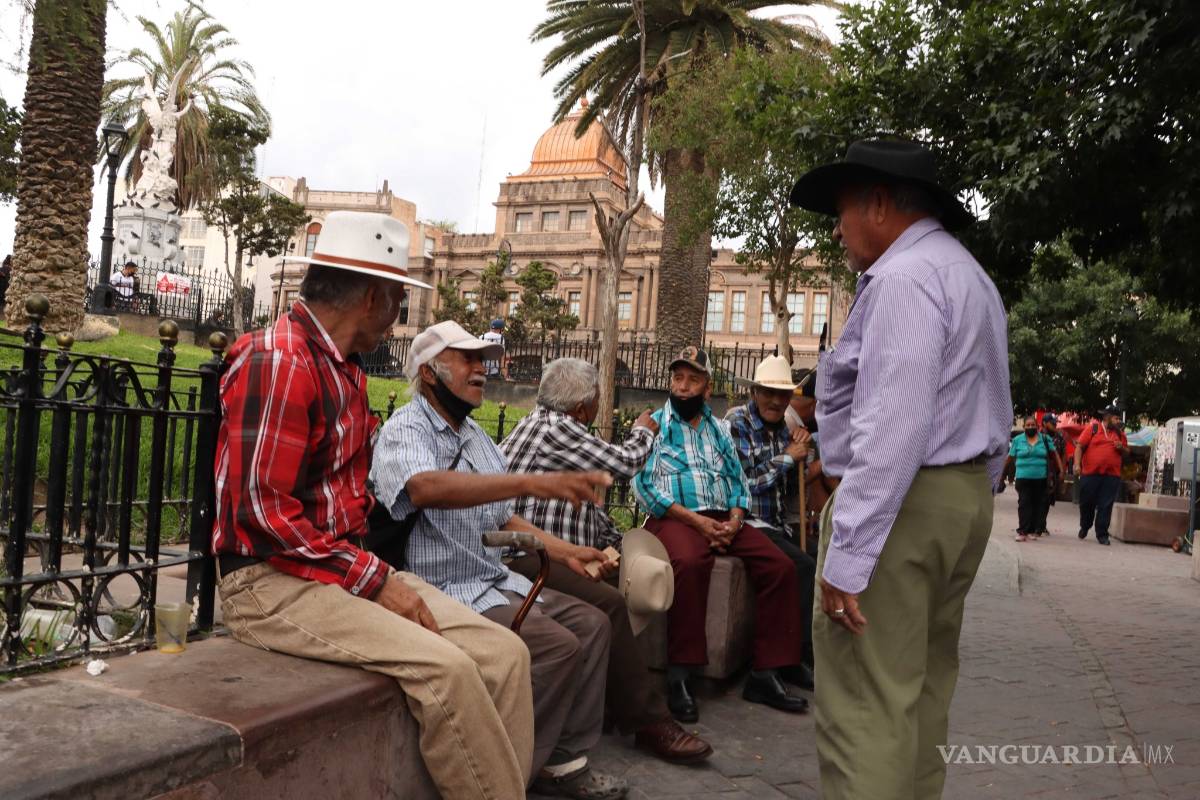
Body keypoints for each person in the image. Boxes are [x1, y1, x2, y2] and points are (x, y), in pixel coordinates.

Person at [211, 211, 535, 800]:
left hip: (333, 572)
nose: (398, 319)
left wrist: (372, 573)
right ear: (370, 297)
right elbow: (263, 514)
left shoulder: (342, 370)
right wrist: (376, 579)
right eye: (397, 301)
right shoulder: (281, 359)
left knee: (505, 653)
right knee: (449, 672)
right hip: (268, 582)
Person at [790, 138, 1012, 800]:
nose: (837, 228)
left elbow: (895, 423)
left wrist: (850, 553)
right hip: (958, 496)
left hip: (905, 503)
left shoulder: (903, 280)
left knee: (867, 706)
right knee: (920, 692)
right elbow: (991, 401)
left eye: (841, 212)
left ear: (879, 204)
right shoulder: (968, 275)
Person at [371, 322, 629, 800]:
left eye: (483, 359)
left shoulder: (474, 435)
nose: (481, 369)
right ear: (429, 373)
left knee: (594, 624)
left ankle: (563, 756)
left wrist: (569, 552)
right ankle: (507, 777)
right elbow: (424, 488)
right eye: (468, 359)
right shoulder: (405, 428)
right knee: (556, 646)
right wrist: (529, 482)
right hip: (441, 588)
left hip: (492, 577)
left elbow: (503, 516)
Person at [499, 357, 713, 764]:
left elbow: (590, 508)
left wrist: (615, 547)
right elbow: (624, 464)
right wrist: (642, 432)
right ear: (582, 407)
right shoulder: (556, 426)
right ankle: (650, 721)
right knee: (613, 605)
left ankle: (624, 703)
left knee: (625, 592)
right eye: (597, 398)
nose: (599, 405)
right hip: (522, 557)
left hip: (552, 554)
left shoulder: (551, 426)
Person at [633, 346, 809, 723]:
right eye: (677, 378)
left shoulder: (718, 429)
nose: (682, 387)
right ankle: (681, 675)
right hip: (674, 517)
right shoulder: (653, 425)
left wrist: (733, 518)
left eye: (692, 380)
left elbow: (738, 481)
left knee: (780, 566)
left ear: (706, 387)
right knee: (691, 562)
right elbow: (644, 487)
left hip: (721, 516)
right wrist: (697, 524)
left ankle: (766, 672)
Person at [726, 355, 818, 690]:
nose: (777, 401)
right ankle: (793, 658)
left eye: (783, 395)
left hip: (777, 524)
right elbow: (741, 486)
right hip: (747, 522)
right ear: (755, 392)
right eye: (769, 392)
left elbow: (792, 488)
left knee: (819, 558)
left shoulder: (786, 429)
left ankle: (796, 653)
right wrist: (786, 459)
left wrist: (802, 460)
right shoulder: (735, 423)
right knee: (801, 566)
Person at [1001, 415, 1064, 541]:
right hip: (1023, 477)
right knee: (1024, 503)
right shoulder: (1018, 440)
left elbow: (1055, 454)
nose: (1030, 427)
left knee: (1038, 504)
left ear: (1037, 426)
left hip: (1041, 478)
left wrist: (1061, 470)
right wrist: (1001, 473)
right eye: (1028, 425)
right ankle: (1022, 531)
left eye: (1033, 425)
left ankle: (1034, 530)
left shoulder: (1045, 439)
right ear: (1024, 427)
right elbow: (1010, 457)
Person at [1074, 405, 1130, 546]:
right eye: (1116, 418)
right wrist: (1077, 464)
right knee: (1086, 502)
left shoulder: (1120, 434)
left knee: (1106, 505)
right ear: (1107, 417)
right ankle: (1085, 525)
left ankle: (1102, 534)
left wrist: (1121, 448)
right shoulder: (1093, 428)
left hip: (1111, 476)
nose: (1118, 421)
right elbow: (1079, 446)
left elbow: (1127, 452)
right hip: (1090, 474)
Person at [1039, 414, 1068, 533]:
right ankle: (1035, 524)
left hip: (1052, 473)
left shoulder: (1059, 437)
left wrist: (1063, 471)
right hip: (1038, 471)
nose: (1055, 424)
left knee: (1047, 499)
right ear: (1044, 423)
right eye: (1052, 422)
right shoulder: (1037, 436)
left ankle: (1041, 524)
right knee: (1036, 498)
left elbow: (1064, 454)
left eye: (1055, 422)